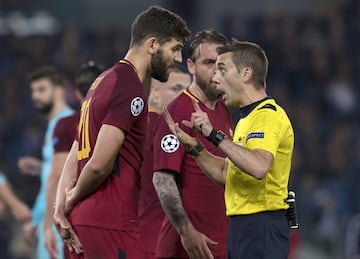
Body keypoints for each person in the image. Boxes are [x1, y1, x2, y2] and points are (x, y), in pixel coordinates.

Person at [53, 5, 190, 259]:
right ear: (152, 44)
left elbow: (76, 149)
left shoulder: (102, 81)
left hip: (84, 224)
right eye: (175, 48)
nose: (179, 58)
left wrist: (61, 206)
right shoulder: (129, 86)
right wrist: (70, 199)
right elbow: (99, 165)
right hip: (109, 223)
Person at [162, 40, 294, 259]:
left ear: (246, 74)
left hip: (261, 226)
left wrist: (215, 135)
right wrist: (194, 146)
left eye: (222, 70)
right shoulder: (246, 120)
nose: (215, 78)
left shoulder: (267, 115)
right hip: (242, 227)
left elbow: (259, 166)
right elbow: (226, 173)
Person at [152, 29, 231, 259]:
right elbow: (163, 179)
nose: (216, 70)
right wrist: (186, 232)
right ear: (191, 66)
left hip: (219, 244)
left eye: (221, 64)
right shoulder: (179, 111)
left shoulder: (224, 109)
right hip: (187, 248)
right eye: (208, 63)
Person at [44, 61, 103, 258]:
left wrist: (48, 226)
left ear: (77, 93)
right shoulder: (117, 123)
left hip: (75, 214)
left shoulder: (67, 124)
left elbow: (57, 175)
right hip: (111, 213)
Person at [18, 66, 74, 259]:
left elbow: (57, 178)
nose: (35, 96)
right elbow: (58, 170)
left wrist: (41, 221)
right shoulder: (55, 123)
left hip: (55, 222)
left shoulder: (65, 122)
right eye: (33, 91)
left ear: (59, 90)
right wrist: (40, 168)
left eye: (42, 89)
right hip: (50, 221)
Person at [138, 67, 191, 259]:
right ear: (155, 92)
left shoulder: (131, 125)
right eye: (176, 89)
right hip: (160, 239)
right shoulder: (167, 129)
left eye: (188, 91)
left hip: (135, 236)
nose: (185, 97)